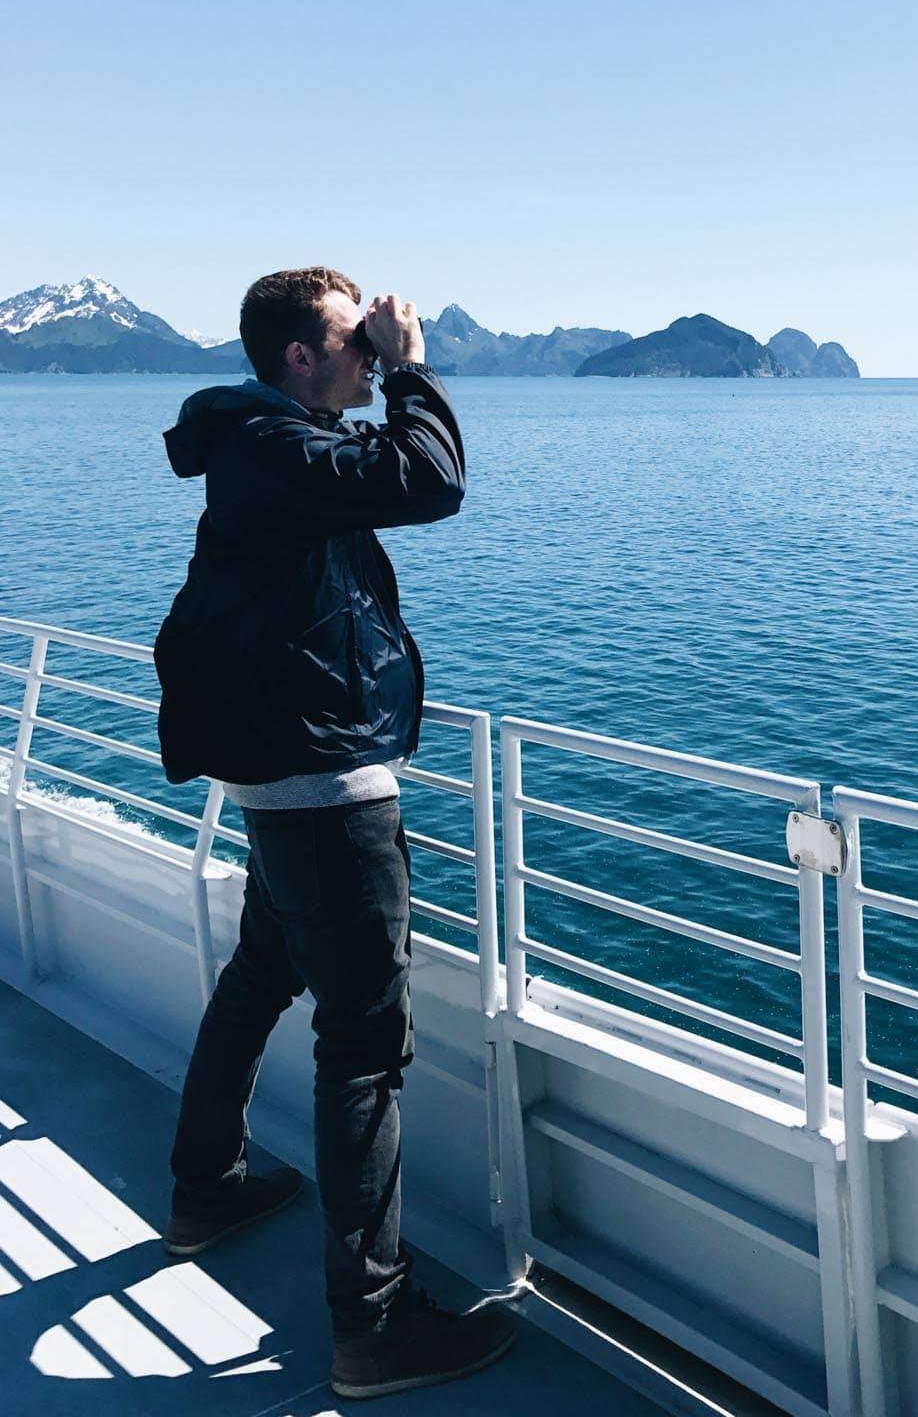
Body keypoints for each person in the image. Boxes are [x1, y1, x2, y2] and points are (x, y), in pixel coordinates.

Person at [153, 265, 515, 1401]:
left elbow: (381, 490)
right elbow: (429, 481)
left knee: (264, 969)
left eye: (374, 337)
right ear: (299, 357)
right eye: (351, 339)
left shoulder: (275, 445)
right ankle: (373, 1323)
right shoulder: (273, 448)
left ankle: (207, 1184)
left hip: (288, 777)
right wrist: (412, 370)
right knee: (365, 1043)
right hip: (325, 793)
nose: (369, 350)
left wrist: (385, 378)